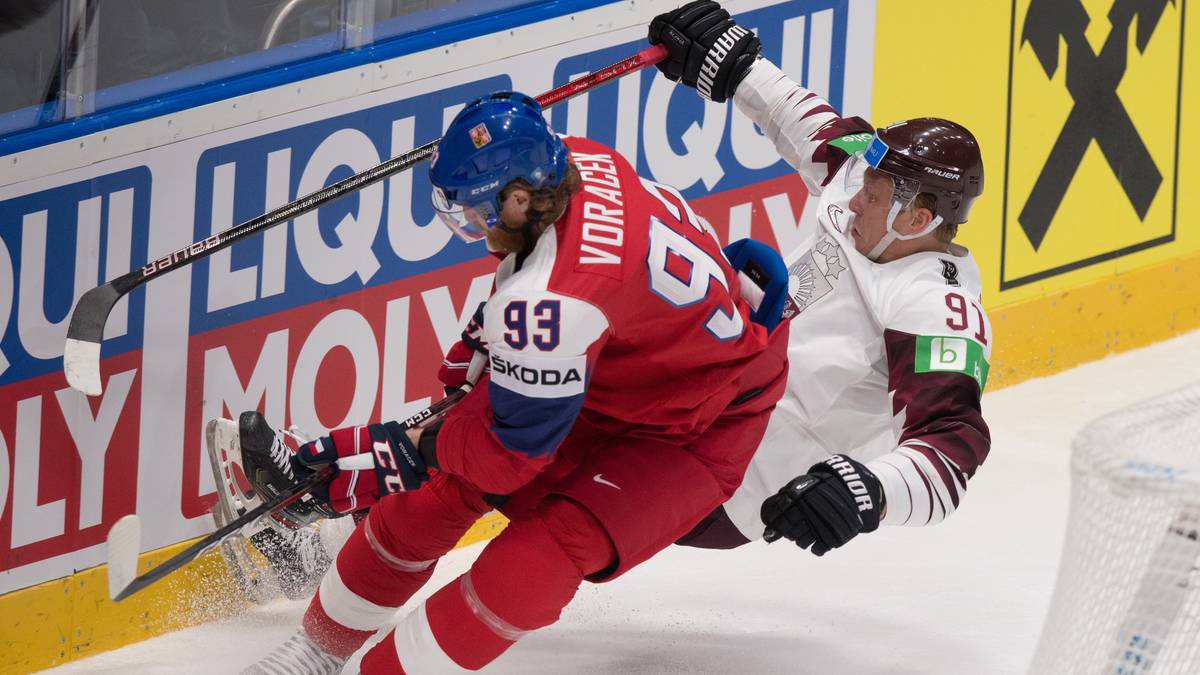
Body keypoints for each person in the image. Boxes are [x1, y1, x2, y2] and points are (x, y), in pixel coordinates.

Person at [240, 91, 791, 673]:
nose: (471, 228)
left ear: (519, 199)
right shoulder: (575, 162)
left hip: (701, 420)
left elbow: (509, 457)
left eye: (473, 214)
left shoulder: (554, 303)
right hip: (625, 363)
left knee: (540, 557)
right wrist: (486, 339)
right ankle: (313, 655)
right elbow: (564, 277)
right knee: (433, 495)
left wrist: (407, 449)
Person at [647, 1, 993, 555]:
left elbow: (950, 443)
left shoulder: (935, 306)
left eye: (873, 196)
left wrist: (873, 491)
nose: (853, 199)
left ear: (917, 219)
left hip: (733, 477)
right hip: (699, 392)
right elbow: (805, 120)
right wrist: (736, 64)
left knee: (539, 478)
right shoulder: (868, 178)